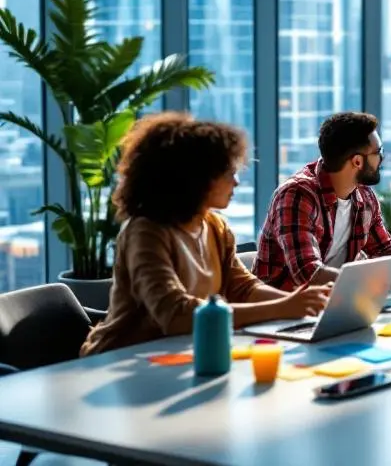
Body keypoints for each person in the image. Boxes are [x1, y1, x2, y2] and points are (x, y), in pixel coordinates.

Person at [81, 113, 330, 356]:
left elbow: (242, 288)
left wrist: (300, 303)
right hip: (120, 357)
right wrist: (283, 307)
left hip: (183, 353)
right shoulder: (146, 231)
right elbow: (175, 315)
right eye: (228, 173)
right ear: (195, 179)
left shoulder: (215, 226)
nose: (236, 182)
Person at [254, 112, 391, 290]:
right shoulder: (297, 196)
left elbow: (386, 253)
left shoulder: (364, 197)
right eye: (378, 152)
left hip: (334, 305)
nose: (382, 158)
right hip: (280, 315)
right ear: (358, 161)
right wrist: (369, 285)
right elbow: (308, 274)